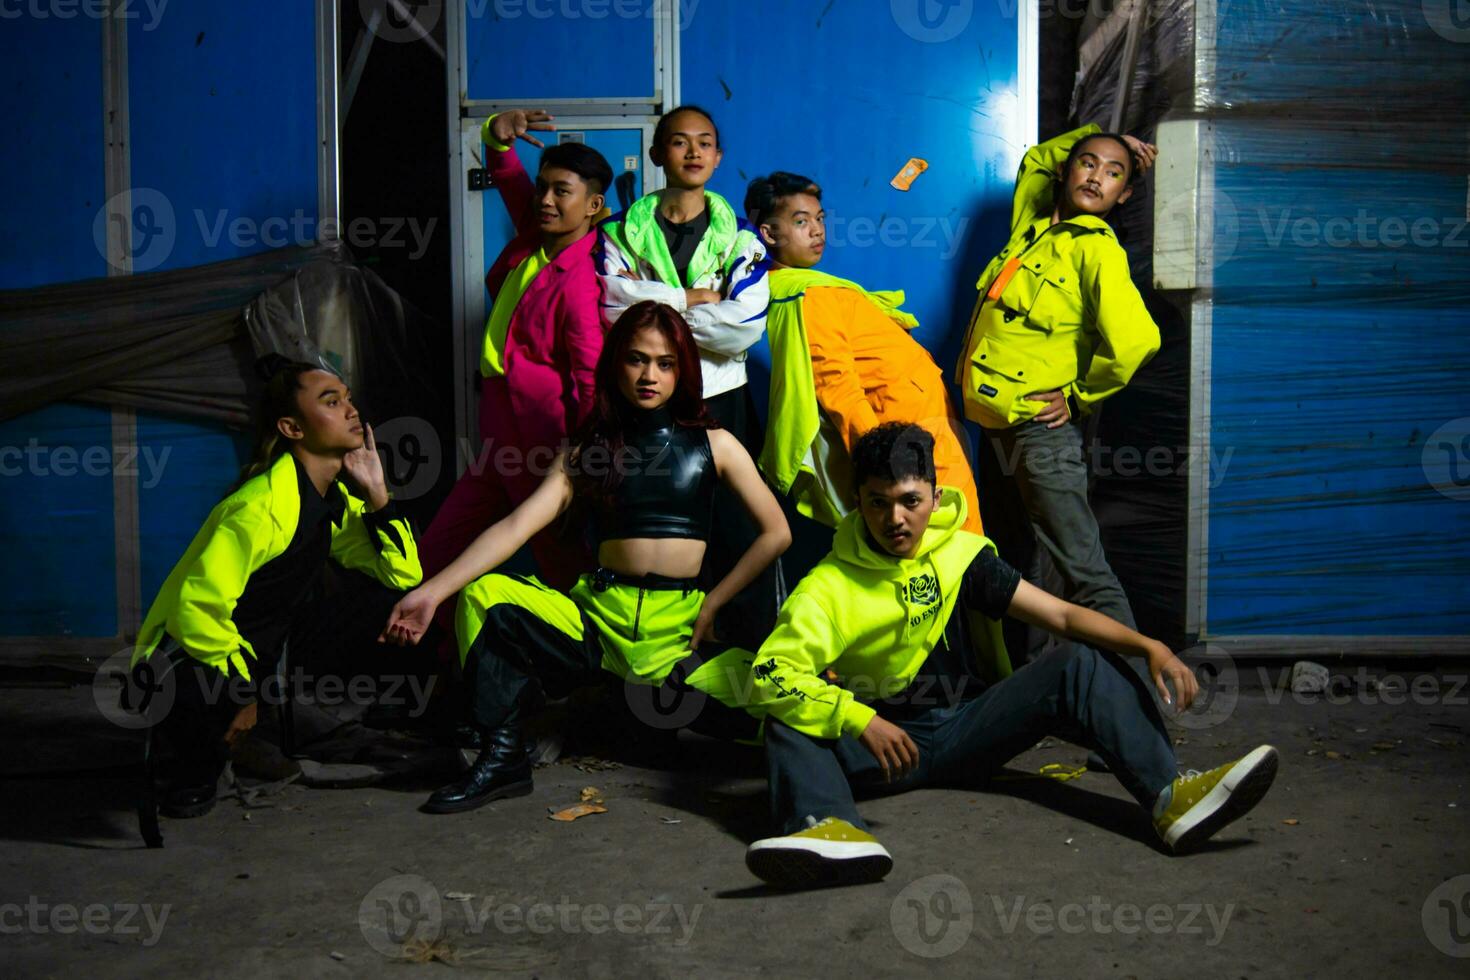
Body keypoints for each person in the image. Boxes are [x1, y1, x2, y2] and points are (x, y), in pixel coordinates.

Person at [739, 422, 1277, 889]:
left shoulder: (960, 555)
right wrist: (859, 719)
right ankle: (829, 829)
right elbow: (769, 673)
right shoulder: (826, 588)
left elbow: (1062, 617)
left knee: (1077, 661)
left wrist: (1149, 645)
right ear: (859, 502)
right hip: (883, 751)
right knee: (787, 718)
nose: (895, 519)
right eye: (878, 502)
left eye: (910, 500)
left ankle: (1170, 798)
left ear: (933, 493)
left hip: (966, 728)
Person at [382, 302, 791, 814]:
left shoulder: (718, 445)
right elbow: (514, 527)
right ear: (616, 364)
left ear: (683, 370)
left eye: (665, 363)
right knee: (485, 596)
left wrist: (713, 606)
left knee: (786, 707)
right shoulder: (586, 453)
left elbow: (776, 534)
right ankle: (503, 755)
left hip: (678, 638)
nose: (649, 375)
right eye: (637, 359)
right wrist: (431, 591)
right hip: (597, 626)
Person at [130, 357, 422, 817]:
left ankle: (256, 725)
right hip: (183, 667)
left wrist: (379, 494)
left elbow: (401, 576)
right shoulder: (260, 507)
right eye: (331, 401)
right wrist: (245, 695)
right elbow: (196, 612)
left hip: (256, 660)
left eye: (347, 398)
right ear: (292, 427)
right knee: (200, 739)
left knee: (390, 602)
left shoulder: (334, 501)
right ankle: (196, 754)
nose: (351, 410)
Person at [956, 125, 1161, 646]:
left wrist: (1076, 397)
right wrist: (1108, 137)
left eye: (1114, 173)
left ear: (1125, 194)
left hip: (1038, 435)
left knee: (1084, 572)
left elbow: (1138, 341)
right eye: (1088, 163)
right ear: (1068, 170)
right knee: (1011, 566)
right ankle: (1026, 696)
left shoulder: (1097, 251)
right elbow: (1034, 162)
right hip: (994, 426)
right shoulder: (1031, 227)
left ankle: (1138, 701)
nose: (1097, 177)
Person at [597, 104, 776, 645]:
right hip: (645, 406)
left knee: (736, 529)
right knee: (649, 521)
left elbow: (742, 326)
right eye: (679, 142)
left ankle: (744, 656)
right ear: (657, 155)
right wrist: (698, 299)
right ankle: (655, 654)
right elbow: (613, 310)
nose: (693, 152)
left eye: (705, 143)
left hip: (722, 402)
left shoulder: (743, 241)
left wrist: (654, 306)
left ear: (719, 158)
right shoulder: (621, 233)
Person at [419, 108, 614, 594]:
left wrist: (588, 451)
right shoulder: (535, 238)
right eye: (543, 187)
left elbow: (590, 374)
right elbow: (509, 178)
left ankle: (597, 655)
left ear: (593, 206)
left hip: (542, 436)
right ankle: (435, 642)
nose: (545, 200)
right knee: (438, 549)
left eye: (561, 192)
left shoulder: (581, 281)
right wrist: (497, 140)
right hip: (499, 425)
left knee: (559, 557)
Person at [744, 170, 981, 531]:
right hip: (906, 438)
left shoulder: (810, 288)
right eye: (800, 221)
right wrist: (884, 463)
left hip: (920, 426)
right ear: (769, 233)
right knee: (954, 548)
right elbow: (837, 387)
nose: (817, 230)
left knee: (955, 547)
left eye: (820, 219)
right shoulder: (808, 295)